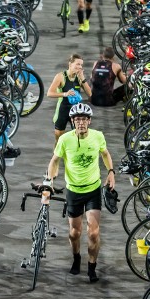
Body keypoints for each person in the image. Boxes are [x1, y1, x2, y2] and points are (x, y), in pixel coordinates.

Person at [47, 103, 115, 283]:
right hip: (73, 190)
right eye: (77, 120)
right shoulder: (65, 140)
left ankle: (92, 266)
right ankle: (76, 257)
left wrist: (111, 172)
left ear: (89, 121)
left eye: (84, 119)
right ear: (72, 122)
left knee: (93, 233)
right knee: (74, 233)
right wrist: (50, 180)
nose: (81, 123)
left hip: (93, 189)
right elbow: (55, 161)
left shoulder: (98, 136)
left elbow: (105, 154)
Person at [47, 54, 92, 146]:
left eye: (81, 65)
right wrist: (65, 94)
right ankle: (57, 159)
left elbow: (90, 94)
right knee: (59, 141)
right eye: (77, 64)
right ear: (70, 64)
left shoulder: (79, 77)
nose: (80, 67)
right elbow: (49, 93)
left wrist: (82, 78)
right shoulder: (60, 76)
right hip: (62, 110)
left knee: (78, 139)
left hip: (76, 112)